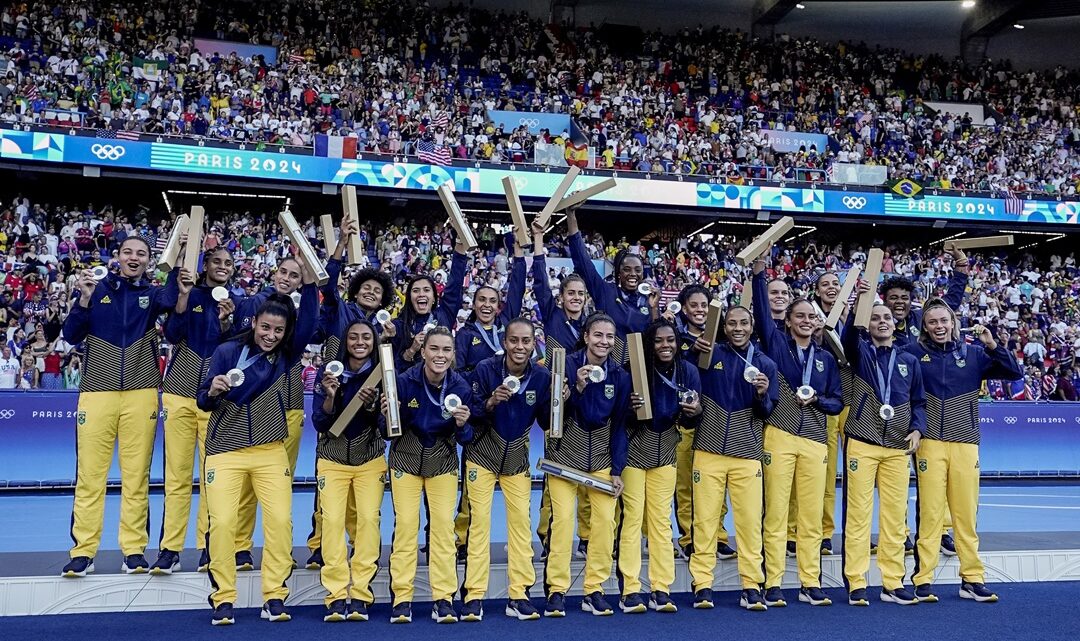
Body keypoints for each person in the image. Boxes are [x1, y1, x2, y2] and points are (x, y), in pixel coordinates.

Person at [197, 282, 318, 626]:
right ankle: (223, 598)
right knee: (221, 523)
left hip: (270, 450)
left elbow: (308, 320)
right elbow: (202, 399)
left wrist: (310, 281)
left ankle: (275, 596)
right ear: (254, 323)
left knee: (280, 522)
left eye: (279, 330)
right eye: (265, 327)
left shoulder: (286, 355)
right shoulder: (226, 351)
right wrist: (214, 390)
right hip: (225, 450)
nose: (271, 335)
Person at [61, 236, 180, 578]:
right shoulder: (96, 290)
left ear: (148, 260)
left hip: (141, 393)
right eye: (128, 251)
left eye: (141, 253)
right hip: (97, 392)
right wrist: (83, 299)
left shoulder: (154, 294)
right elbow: (70, 335)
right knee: (89, 477)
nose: (133, 257)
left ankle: (133, 550)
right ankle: (83, 551)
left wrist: (175, 255)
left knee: (136, 476)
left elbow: (172, 297)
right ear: (117, 256)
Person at [906, 301, 1022, 604]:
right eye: (932, 322)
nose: (939, 326)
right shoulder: (915, 353)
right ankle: (923, 579)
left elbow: (1013, 372)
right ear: (924, 326)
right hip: (929, 442)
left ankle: (972, 578)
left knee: (965, 516)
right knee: (930, 514)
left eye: (943, 320)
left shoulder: (974, 354)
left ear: (954, 321)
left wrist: (993, 344)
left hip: (965, 442)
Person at [752, 256, 843, 607]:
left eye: (811, 316)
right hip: (779, 434)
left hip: (816, 441)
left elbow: (836, 402)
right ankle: (772, 582)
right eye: (799, 316)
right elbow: (761, 314)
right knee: (775, 512)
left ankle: (810, 580)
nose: (806, 321)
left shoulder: (826, 360)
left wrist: (818, 400)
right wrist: (760, 275)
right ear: (788, 322)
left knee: (809, 514)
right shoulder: (775, 346)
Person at [307, 219, 395, 569]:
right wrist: (341, 246)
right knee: (326, 479)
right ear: (356, 289)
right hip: (334, 396)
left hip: (367, 406)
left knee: (364, 481)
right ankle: (319, 544)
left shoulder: (385, 327)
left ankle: (361, 547)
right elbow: (327, 287)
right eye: (366, 288)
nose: (372, 292)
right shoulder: (340, 311)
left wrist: (392, 338)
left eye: (378, 290)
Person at [152, 246, 238, 575]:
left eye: (228, 263)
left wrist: (226, 323)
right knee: (176, 477)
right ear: (205, 265)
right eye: (216, 261)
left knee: (212, 478)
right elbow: (173, 334)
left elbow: (236, 347)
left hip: (214, 400)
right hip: (178, 394)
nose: (222, 266)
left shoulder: (236, 301)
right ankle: (170, 549)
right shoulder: (191, 292)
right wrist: (184, 298)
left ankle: (208, 547)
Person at [459, 317, 552, 622]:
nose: (520, 347)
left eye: (526, 341)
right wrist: (489, 402)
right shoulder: (485, 369)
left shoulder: (541, 376)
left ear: (533, 342)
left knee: (520, 527)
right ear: (504, 342)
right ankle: (473, 595)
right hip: (482, 456)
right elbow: (468, 411)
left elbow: (546, 423)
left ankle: (519, 594)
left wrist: (558, 402)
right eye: (514, 340)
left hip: (515, 460)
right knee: (479, 525)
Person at [880, 246, 969, 554]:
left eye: (904, 298)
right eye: (894, 298)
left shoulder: (925, 320)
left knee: (936, 479)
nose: (900, 303)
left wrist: (961, 271)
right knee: (898, 478)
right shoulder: (877, 328)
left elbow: (950, 305)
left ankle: (942, 530)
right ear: (885, 302)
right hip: (893, 414)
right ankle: (901, 532)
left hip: (927, 412)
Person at [383, 326, 474, 625]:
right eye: (434, 349)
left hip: (442, 464)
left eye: (446, 350)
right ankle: (401, 597)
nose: (440, 355)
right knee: (407, 527)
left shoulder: (460, 386)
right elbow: (387, 431)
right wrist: (388, 414)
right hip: (405, 461)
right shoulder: (404, 380)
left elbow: (467, 439)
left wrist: (463, 424)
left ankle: (444, 598)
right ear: (423, 352)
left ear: (453, 355)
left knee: (443, 531)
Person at [543, 313, 630, 618]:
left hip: (601, 461)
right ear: (586, 335)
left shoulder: (619, 375)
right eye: (598, 335)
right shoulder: (564, 366)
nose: (604, 342)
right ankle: (556, 589)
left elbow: (620, 424)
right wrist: (576, 390)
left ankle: (594, 589)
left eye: (609, 337)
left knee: (606, 522)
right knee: (564, 522)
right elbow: (551, 416)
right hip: (565, 457)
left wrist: (617, 469)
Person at [689, 305, 776, 611]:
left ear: (752, 326)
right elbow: (686, 378)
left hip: (747, 454)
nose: (737, 328)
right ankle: (702, 584)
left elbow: (767, 412)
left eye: (744, 322)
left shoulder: (765, 364)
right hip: (708, 450)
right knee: (705, 521)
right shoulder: (709, 355)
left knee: (750, 523)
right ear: (724, 327)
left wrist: (763, 394)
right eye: (731, 323)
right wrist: (691, 348)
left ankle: (751, 585)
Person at [841, 302, 926, 606]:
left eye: (886, 318)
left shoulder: (908, 360)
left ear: (895, 323)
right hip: (862, 443)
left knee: (894, 518)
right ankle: (856, 581)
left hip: (897, 447)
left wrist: (917, 429)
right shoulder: (860, 353)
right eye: (875, 318)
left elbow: (919, 401)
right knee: (859, 515)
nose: (881, 322)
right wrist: (856, 313)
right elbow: (849, 338)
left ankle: (892, 582)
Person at [616, 318, 701, 614]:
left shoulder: (688, 370)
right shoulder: (634, 371)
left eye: (670, 340)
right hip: (635, 450)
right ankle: (630, 588)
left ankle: (661, 587)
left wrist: (695, 412)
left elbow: (693, 418)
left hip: (666, 450)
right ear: (649, 344)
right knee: (632, 520)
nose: (665, 346)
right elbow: (619, 417)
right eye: (659, 341)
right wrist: (629, 409)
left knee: (661, 522)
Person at [230, 255, 309, 570]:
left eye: (295, 276)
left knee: (281, 486)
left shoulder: (300, 316)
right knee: (247, 484)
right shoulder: (250, 305)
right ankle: (240, 547)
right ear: (274, 273)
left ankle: (281, 550)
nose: (287, 278)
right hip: (255, 406)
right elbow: (235, 342)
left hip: (291, 409)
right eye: (284, 272)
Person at [311, 319, 386, 623]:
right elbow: (319, 422)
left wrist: (372, 408)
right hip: (332, 458)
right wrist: (330, 395)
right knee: (331, 524)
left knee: (368, 521)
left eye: (366, 337)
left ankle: (361, 592)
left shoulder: (384, 375)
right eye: (353, 337)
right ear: (345, 341)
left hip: (370, 458)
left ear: (374, 342)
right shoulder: (330, 372)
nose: (359, 342)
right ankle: (336, 594)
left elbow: (387, 425)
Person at [531, 220, 592, 556]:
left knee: (586, 469)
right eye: (571, 293)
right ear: (561, 297)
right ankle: (548, 534)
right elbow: (540, 281)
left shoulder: (593, 327)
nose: (577, 298)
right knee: (555, 471)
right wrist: (539, 241)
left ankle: (585, 535)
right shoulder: (553, 318)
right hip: (557, 403)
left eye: (581, 294)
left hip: (586, 402)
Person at [671, 285, 734, 559]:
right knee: (684, 484)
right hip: (685, 420)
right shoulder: (675, 340)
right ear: (684, 309)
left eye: (703, 305)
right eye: (693, 305)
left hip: (714, 422)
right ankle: (688, 538)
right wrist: (689, 351)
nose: (699, 310)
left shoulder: (722, 340)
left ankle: (718, 536)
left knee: (716, 483)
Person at [566, 208, 655, 365]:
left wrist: (655, 309)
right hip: (609, 371)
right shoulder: (606, 292)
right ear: (618, 273)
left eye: (637, 270)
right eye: (626, 269)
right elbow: (582, 261)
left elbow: (656, 337)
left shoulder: (649, 300)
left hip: (640, 371)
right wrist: (571, 215)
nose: (632, 274)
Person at [390, 239, 468, 369]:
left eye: (426, 290)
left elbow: (455, 285)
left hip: (442, 386)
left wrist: (460, 242)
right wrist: (412, 350)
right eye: (416, 291)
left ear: (433, 298)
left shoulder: (443, 315)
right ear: (409, 298)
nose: (421, 294)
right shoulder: (399, 325)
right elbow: (392, 368)